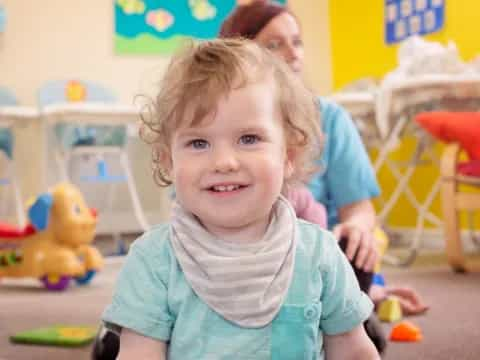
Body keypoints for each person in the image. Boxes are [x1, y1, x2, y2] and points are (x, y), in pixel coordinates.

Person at [101, 38, 379, 359]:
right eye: (198, 143)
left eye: (249, 138)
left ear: (288, 156)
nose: (224, 162)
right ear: (168, 160)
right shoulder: (153, 261)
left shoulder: (318, 252)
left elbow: (353, 351)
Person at [219, 0, 428, 319]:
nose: (293, 53)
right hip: (236, 250)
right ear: (239, 56)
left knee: (360, 240)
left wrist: (357, 230)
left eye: (297, 41)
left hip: (317, 250)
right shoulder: (216, 120)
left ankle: (352, 295)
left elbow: (358, 208)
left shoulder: (329, 118)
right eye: (274, 45)